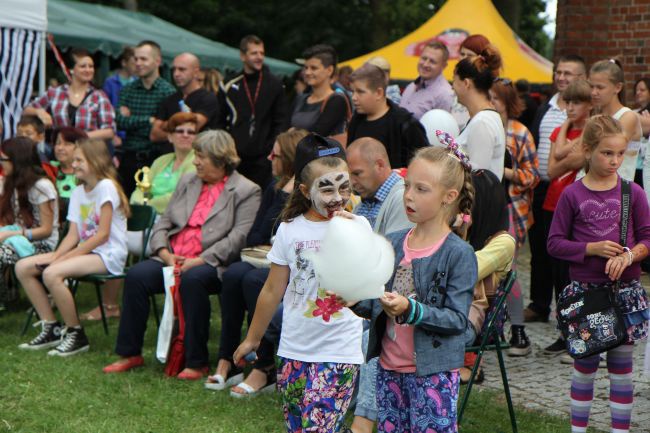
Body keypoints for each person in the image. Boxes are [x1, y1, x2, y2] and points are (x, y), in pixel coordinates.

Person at [103, 130, 261, 379]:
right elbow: (164, 223)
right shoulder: (188, 181)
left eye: (201, 157)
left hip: (211, 262)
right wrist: (164, 253)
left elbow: (238, 237)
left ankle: (196, 361)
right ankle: (130, 352)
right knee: (136, 275)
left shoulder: (246, 190)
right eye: (196, 156)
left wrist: (200, 260)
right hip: (172, 257)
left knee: (193, 279)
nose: (195, 161)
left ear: (221, 159)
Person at [233, 134, 365, 432]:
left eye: (344, 186)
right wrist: (252, 339)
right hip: (294, 350)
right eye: (326, 188)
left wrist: (352, 294)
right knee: (297, 427)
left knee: (317, 428)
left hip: (339, 350)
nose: (337, 197)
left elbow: (367, 281)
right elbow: (272, 290)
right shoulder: (289, 231)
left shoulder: (358, 227)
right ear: (305, 190)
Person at [347, 145, 477, 433]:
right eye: (407, 186)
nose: (408, 195)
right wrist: (353, 298)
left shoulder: (458, 253)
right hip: (389, 368)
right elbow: (376, 304)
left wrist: (412, 310)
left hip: (433, 374)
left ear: (449, 197)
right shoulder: (393, 242)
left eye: (421, 189)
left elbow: (457, 321)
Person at [547, 115, 650, 433]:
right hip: (586, 295)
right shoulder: (572, 195)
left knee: (622, 372)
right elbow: (554, 243)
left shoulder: (631, 192)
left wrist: (631, 255)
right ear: (588, 151)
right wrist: (590, 249)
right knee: (584, 369)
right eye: (607, 153)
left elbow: (647, 237)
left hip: (624, 292)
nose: (615, 160)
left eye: (620, 154)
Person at [210, 129, 307, 396]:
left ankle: (263, 367)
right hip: (263, 257)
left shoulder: (306, 194)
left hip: (291, 265)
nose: (268, 157)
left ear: (288, 158)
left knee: (253, 281)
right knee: (232, 275)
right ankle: (228, 359)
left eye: (274, 154)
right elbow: (255, 235)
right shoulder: (274, 188)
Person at [16, 138, 129, 356]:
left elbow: (103, 235)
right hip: (88, 252)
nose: (73, 164)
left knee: (51, 273)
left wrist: (62, 260)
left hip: (108, 254)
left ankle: (76, 334)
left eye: (79, 160)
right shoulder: (78, 192)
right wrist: (58, 255)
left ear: (95, 161)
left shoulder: (106, 187)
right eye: (74, 160)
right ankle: (51, 327)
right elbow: (73, 234)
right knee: (23, 267)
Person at [346, 136, 414, 433]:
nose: (351, 181)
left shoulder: (398, 198)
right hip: (369, 297)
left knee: (367, 341)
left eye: (357, 173)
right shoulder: (366, 203)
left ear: (380, 165)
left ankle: (362, 421)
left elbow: (393, 265)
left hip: (388, 302)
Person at [525, 55, 586, 339]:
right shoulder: (547, 108)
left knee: (566, 265)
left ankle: (571, 323)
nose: (561, 77)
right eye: (558, 72)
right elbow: (551, 159)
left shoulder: (586, 122)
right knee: (542, 252)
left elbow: (566, 160)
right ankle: (541, 305)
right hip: (546, 191)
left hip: (570, 196)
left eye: (568, 73)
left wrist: (559, 163)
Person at [489, 78, 539, 356]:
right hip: (484, 207)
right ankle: (490, 327)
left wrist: (504, 171)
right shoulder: (480, 126)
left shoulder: (519, 133)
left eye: (496, 99)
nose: (492, 104)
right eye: (489, 98)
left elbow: (532, 176)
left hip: (511, 207)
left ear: (508, 102)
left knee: (509, 268)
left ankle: (518, 329)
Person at [461, 168, 515, 382]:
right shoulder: (467, 237)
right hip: (449, 317)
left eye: (466, 203)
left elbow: (464, 274)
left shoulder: (503, 242)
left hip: (467, 324)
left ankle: (465, 370)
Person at [219, 35, 288, 188]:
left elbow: (281, 121)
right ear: (243, 56)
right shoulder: (229, 84)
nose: (259, 57)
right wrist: (227, 150)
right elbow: (220, 120)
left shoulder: (275, 84)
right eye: (254, 53)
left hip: (263, 159)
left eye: (262, 53)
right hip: (235, 157)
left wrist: (270, 150)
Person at [0, 138, 59, 310]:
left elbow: (47, 231)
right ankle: (8, 297)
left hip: (42, 245)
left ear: (18, 161)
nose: (1, 163)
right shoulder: (8, 182)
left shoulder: (42, 186)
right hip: (16, 239)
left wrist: (12, 234)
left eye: (4, 159)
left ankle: (7, 298)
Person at [116, 40, 176, 196]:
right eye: (136, 59)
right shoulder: (127, 90)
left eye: (143, 59)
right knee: (123, 205)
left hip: (156, 158)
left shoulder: (167, 92)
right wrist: (149, 120)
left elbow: (165, 128)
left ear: (157, 61)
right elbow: (120, 122)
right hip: (129, 156)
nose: (138, 63)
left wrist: (133, 120)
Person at [24, 48, 115, 142]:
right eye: (83, 66)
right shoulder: (55, 93)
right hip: (61, 150)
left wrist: (80, 136)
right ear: (71, 70)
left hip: (87, 151)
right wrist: (39, 112)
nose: (88, 70)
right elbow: (25, 110)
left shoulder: (99, 96)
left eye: (91, 66)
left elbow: (109, 131)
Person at [347, 63, 428, 169]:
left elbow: (424, 163)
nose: (354, 97)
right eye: (352, 92)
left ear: (379, 93)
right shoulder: (356, 120)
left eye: (360, 92)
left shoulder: (405, 124)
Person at [452, 44, 505, 180]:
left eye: (454, 81)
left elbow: (477, 179)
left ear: (466, 83)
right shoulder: (483, 118)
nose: (453, 87)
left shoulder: (482, 122)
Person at [150, 53, 221, 154]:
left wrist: (165, 125)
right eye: (174, 69)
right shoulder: (169, 99)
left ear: (196, 72)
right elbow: (154, 135)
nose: (176, 74)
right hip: (169, 160)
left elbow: (193, 126)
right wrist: (181, 125)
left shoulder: (208, 98)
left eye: (182, 69)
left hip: (197, 159)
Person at [589, 59, 643, 182]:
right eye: (591, 86)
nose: (593, 92)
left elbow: (597, 153)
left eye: (600, 87)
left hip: (617, 191)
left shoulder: (627, 116)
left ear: (618, 87)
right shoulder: (595, 115)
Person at [290, 45, 349, 137]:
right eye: (306, 68)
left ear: (329, 70)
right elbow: (283, 130)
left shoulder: (337, 100)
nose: (307, 72)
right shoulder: (300, 98)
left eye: (313, 68)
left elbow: (317, 136)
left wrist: (292, 134)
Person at [399, 41, 454, 119]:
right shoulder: (411, 86)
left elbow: (440, 129)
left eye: (432, 61)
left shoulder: (445, 95)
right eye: (424, 58)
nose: (425, 64)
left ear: (444, 66)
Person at [451, 34, 491, 129]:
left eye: (469, 55)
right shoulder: (457, 86)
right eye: (462, 54)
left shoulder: (488, 89)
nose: (463, 58)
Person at [51, 127, 88, 199]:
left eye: (67, 144)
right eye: (58, 143)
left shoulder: (87, 172)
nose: (60, 148)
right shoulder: (48, 168)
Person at [633, 78, 650, 190]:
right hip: (634, 165)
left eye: (642, 90)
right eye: (637, 90)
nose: (638, 92)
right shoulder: (632, 113)